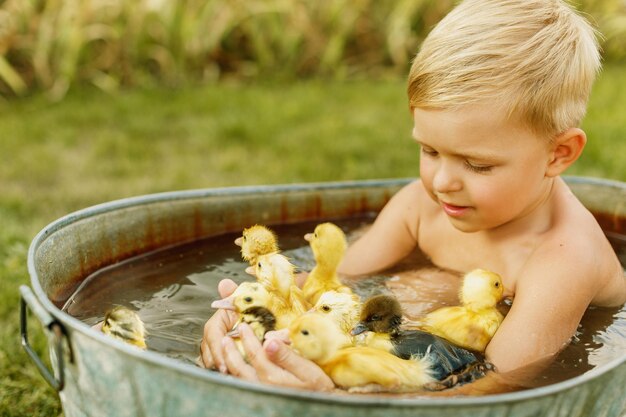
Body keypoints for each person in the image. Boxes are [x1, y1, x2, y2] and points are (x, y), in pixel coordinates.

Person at [200, 0, 626, 394]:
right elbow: (330, 283)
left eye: (477, 165)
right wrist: (247, 312)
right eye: (429, 150)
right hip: (429, 332)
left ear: (559, 153)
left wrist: (339, 399)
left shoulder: (564, 258)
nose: (442, 181)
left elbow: (497, 386)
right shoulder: (421, 206)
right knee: (416, 287)